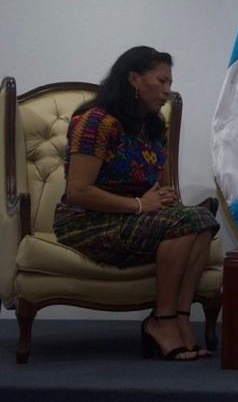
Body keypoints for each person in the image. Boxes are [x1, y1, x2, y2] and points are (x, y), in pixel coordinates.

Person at [53, 46, 220, 362]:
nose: (168, 91)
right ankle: (163, 321)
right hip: (87, 221)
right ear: (134, 79)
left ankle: (179, 317)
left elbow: (162, 186)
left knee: (202, 219)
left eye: (170, 83)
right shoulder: (96, 122)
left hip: (136, 217)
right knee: (188, 222)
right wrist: (140, 205)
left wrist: (166, 197)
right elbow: (78, 191)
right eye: (162, 81)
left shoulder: (155, 126)